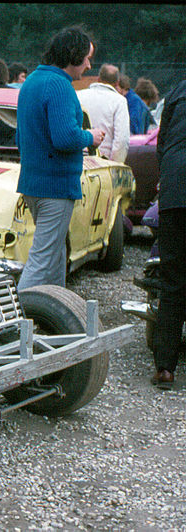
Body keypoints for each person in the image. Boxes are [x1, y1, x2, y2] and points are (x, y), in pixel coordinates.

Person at [15, 26, 105, 290]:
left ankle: (54, 313)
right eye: (87, 58)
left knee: (56, 255)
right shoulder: (61, 86)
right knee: (42, 259)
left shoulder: (31, 81)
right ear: (73, 54)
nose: (89, 65)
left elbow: (20, 138)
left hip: (33, 184)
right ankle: (17, 324)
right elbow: (65, 138)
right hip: (55, 187)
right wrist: (91, 137)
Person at [150, 79, 186, 389]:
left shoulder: (176, 91)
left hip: (175, 190)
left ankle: (165, 368)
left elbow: (162, 144)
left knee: (172, 282)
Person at [76, 63, 130, 162]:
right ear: (117, 83)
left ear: (98, 78)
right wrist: (115, 166)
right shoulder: (119, 101)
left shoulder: (78, 95)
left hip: (78, 159)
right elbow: (121, 140)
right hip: (103, 163)